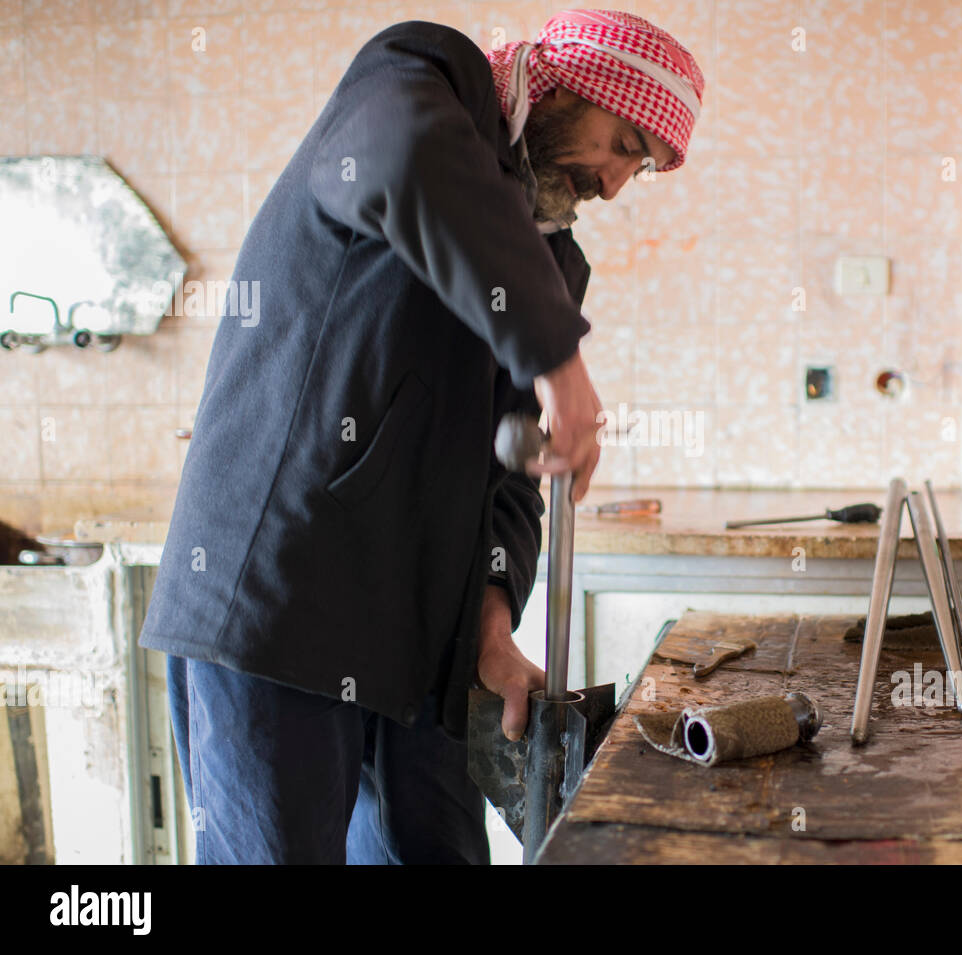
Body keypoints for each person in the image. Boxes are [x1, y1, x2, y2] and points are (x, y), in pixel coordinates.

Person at [137, 8, 704, 864]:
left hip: (421, 636)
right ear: (567, 85)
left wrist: (491, 620)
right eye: (623, 143)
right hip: (279, 596)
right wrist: (558, 356)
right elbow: (411, 163)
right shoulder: (421, 78)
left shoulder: (549, 257)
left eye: (641, 169)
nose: (616, 183)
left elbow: (514, 463)